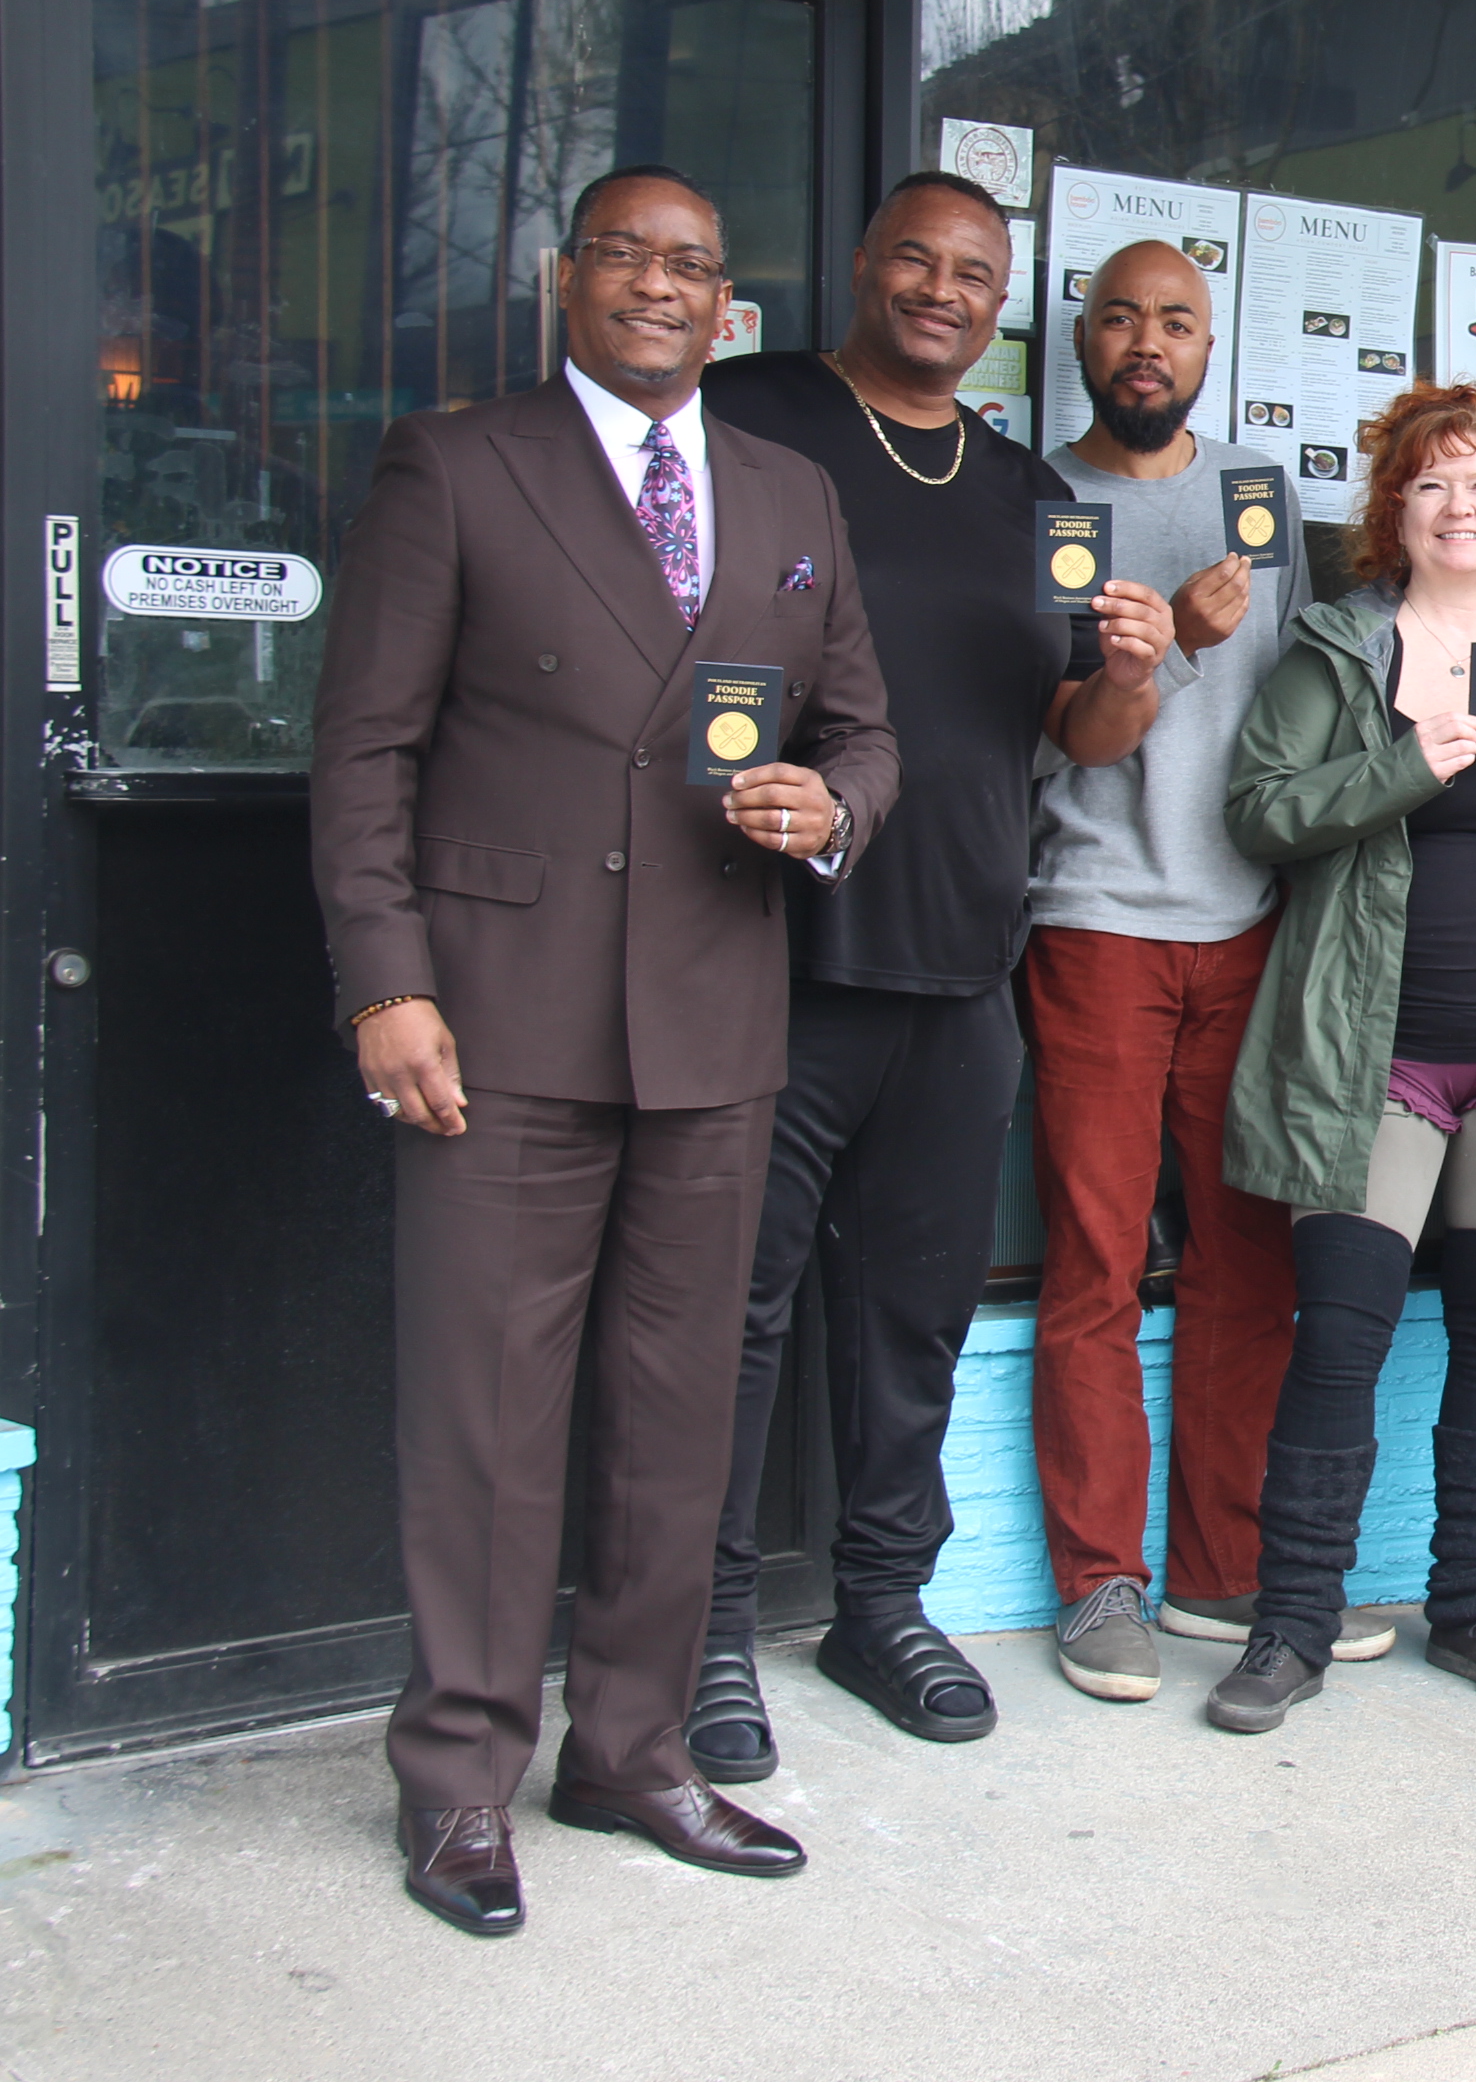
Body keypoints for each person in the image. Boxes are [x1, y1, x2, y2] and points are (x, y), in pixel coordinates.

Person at [313, 163, 898, 1934]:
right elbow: (365, 750)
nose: (659, 285)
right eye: (626, 255)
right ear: (565, 277)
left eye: (692, 265)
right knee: (486, 1415)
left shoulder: (791, 490)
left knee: (674, 1411)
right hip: (497, 1016)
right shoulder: (455, 463)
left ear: (731, 304)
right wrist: (385, 981)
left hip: (713, 1017)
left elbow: (866, 732)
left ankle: (633, 1748)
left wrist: (832, 809)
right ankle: (459, 1775)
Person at [679, 175, 1169, 1776]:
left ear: (1001, 304)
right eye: (917, 259)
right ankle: (700, 1631)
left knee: (913, 1318)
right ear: (862, 265)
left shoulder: (1031, 491)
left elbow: (1074, 730)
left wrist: (1136, 677)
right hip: (768, 948)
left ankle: (881, 1603)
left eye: (974, 273)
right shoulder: (751, 415)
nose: (943, 291)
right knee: (729, 1314)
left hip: (961, 958)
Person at [1198, 381, 1476, 1735]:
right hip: (1369, 1060)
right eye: (1432, 482)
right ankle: (1293, 1626)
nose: (1460, 506)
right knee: (1341, 1342)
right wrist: (1403, 764)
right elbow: (1258, 811)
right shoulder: (1340, 651)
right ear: (1394, 511)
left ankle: (1475, 1611)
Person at [1018, 239, 1373, 1704]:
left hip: (1251, 927)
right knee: (1097, 1261)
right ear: (1083, 340)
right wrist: (1163, 652)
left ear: (1211, 345)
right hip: (1098, 918)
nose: (1146, 342)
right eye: (1120, 318)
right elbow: (1067, 737)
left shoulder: (1257, 491)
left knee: (1251, 1257)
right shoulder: (1038, 499)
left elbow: (1298, 702)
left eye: (1175, 320)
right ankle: (1099, 1580)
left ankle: (1223, 1571)